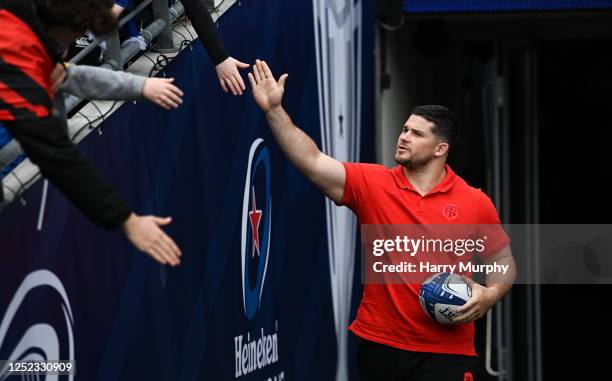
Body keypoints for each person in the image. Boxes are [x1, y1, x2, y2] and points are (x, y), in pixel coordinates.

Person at [248, 60, 517, 380]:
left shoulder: (474, 202)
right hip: (380, 345)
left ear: (440, 149)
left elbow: (502, 260)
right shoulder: (372, 184)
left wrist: (491, 293)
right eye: (404, 129)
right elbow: (312, 161)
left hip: (446, 353)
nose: (403, 137)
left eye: (416, 134)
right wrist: (274, 110)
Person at [0, 0, 181, 266]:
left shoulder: (21, 16)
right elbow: (56, 156)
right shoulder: (19, 64)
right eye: (79, 33)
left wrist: (139, 85)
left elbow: (66, 74)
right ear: (67, 27)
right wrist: (127, 220)